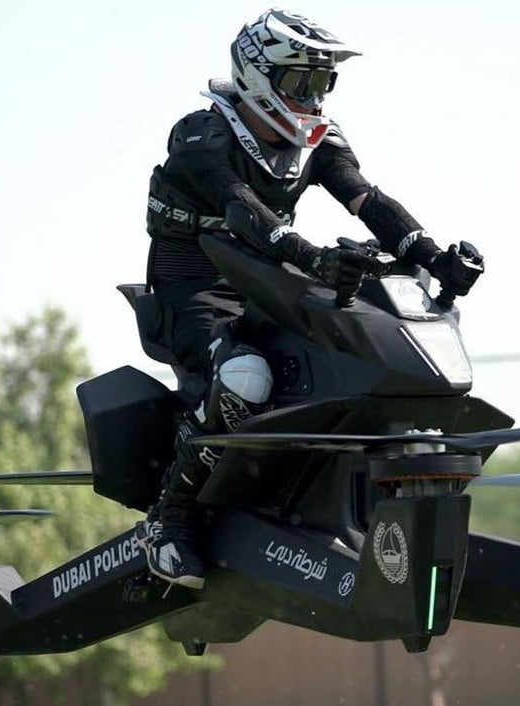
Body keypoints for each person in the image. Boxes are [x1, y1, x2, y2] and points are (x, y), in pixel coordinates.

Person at [138, 8, 484, 589]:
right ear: (258, 76)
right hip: (194, 289)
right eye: (303, 83)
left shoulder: (321, 139)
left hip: (268, 278)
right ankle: (170, 517)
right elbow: (243, 209)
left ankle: (349, 502)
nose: (314, 100)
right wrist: (312, 258)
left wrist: (432, 255)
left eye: (323, 84)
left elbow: (367, 200)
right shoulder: (202, 135)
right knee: (247, 376)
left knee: (349, 358)